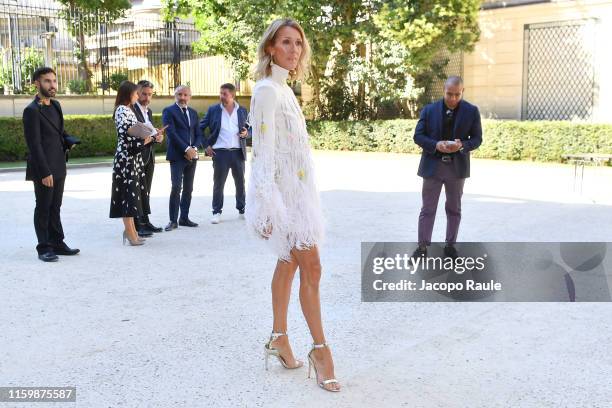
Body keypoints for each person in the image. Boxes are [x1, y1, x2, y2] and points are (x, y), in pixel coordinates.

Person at [246, 18, 340, 392]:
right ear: (270, 47)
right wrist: (267, 206)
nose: (294, 50)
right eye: (286, 42)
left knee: (287, 263)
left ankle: (280, 337)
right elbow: (263, 152)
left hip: (299, 193)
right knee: (311, 267)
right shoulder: (267, 90)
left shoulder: (285, 89)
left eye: (298, 44)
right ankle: (321, 350)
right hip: (285, 201)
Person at [412, 76, 483, 259]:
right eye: (449, 94)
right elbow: (418, 136)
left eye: (456, 95)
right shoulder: (429, 110)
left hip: (457, 169)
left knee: (454, 209)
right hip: (432, 167)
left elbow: (477, 139)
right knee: (427, 209)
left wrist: (462, 146)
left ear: (462, 92)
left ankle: (450, 246)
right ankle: (422, 248)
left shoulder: (472, 111)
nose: (452, 98)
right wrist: (435, 144)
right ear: (443, 90)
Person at [23, 67, 80, 262]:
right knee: (43, 207)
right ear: (37, 83)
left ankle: (57, 242)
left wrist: (68, 140)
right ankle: (43, 247)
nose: (52, 85)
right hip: (43, 168)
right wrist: (45, 172)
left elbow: (59, 132)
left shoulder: (56, 105)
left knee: (56, 206)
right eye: (47, 81)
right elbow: (35, 145)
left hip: (59, 165)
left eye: (54, 81)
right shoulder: (31, 111)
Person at [109, 81, 163, 246]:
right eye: (135, 93)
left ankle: (132, 232)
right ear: (128, 94)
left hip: (133, 157)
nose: (137, 96)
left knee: (134, 196)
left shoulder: (127, 110)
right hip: (126, 159)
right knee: (128, 196)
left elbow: (134, 131)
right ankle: (131, 233)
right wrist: (147, 137)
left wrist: (150, 137)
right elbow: (128, 134)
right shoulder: (121, 110)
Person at [199, 83, 249, 224]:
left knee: (240, 183)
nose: (221, 96)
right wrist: (206, 145)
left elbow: (250, 129)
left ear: (232, 95)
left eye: (224, 94)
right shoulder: (213, 110)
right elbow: (200, 128)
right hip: (220, 153)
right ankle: (216, 212)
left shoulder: (242, 111)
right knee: (219, 183)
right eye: (220, 93)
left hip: (238, 152)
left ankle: (242, 209)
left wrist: (247, 133)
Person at [162, 85, 203, 231]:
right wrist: (186, 149)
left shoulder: (193, 112)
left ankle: (184, 218)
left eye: (186, 95)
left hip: (193, 156)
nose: (182, 98)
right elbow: (171, 133)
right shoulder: (168, 111)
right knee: (176, 187)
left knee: (188, 188)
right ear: (175, 95)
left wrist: (194, 149)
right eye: (180, 94)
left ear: (190, 97)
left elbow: (198, 134)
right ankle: (173, 220)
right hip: (177, 155)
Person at [133, 80, 164, 236]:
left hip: (149, 155)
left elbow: (148, 131)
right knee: (136, 191)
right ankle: (137, 225)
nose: (146, 97)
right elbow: (133, 134)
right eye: (144, 94)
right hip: (136, 156)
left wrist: (157, 136)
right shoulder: (130, 110)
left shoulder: (148, 111)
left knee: (146, 191)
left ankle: (145, 221)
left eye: (150, 94)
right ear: (137, 93)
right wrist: (152, 136)